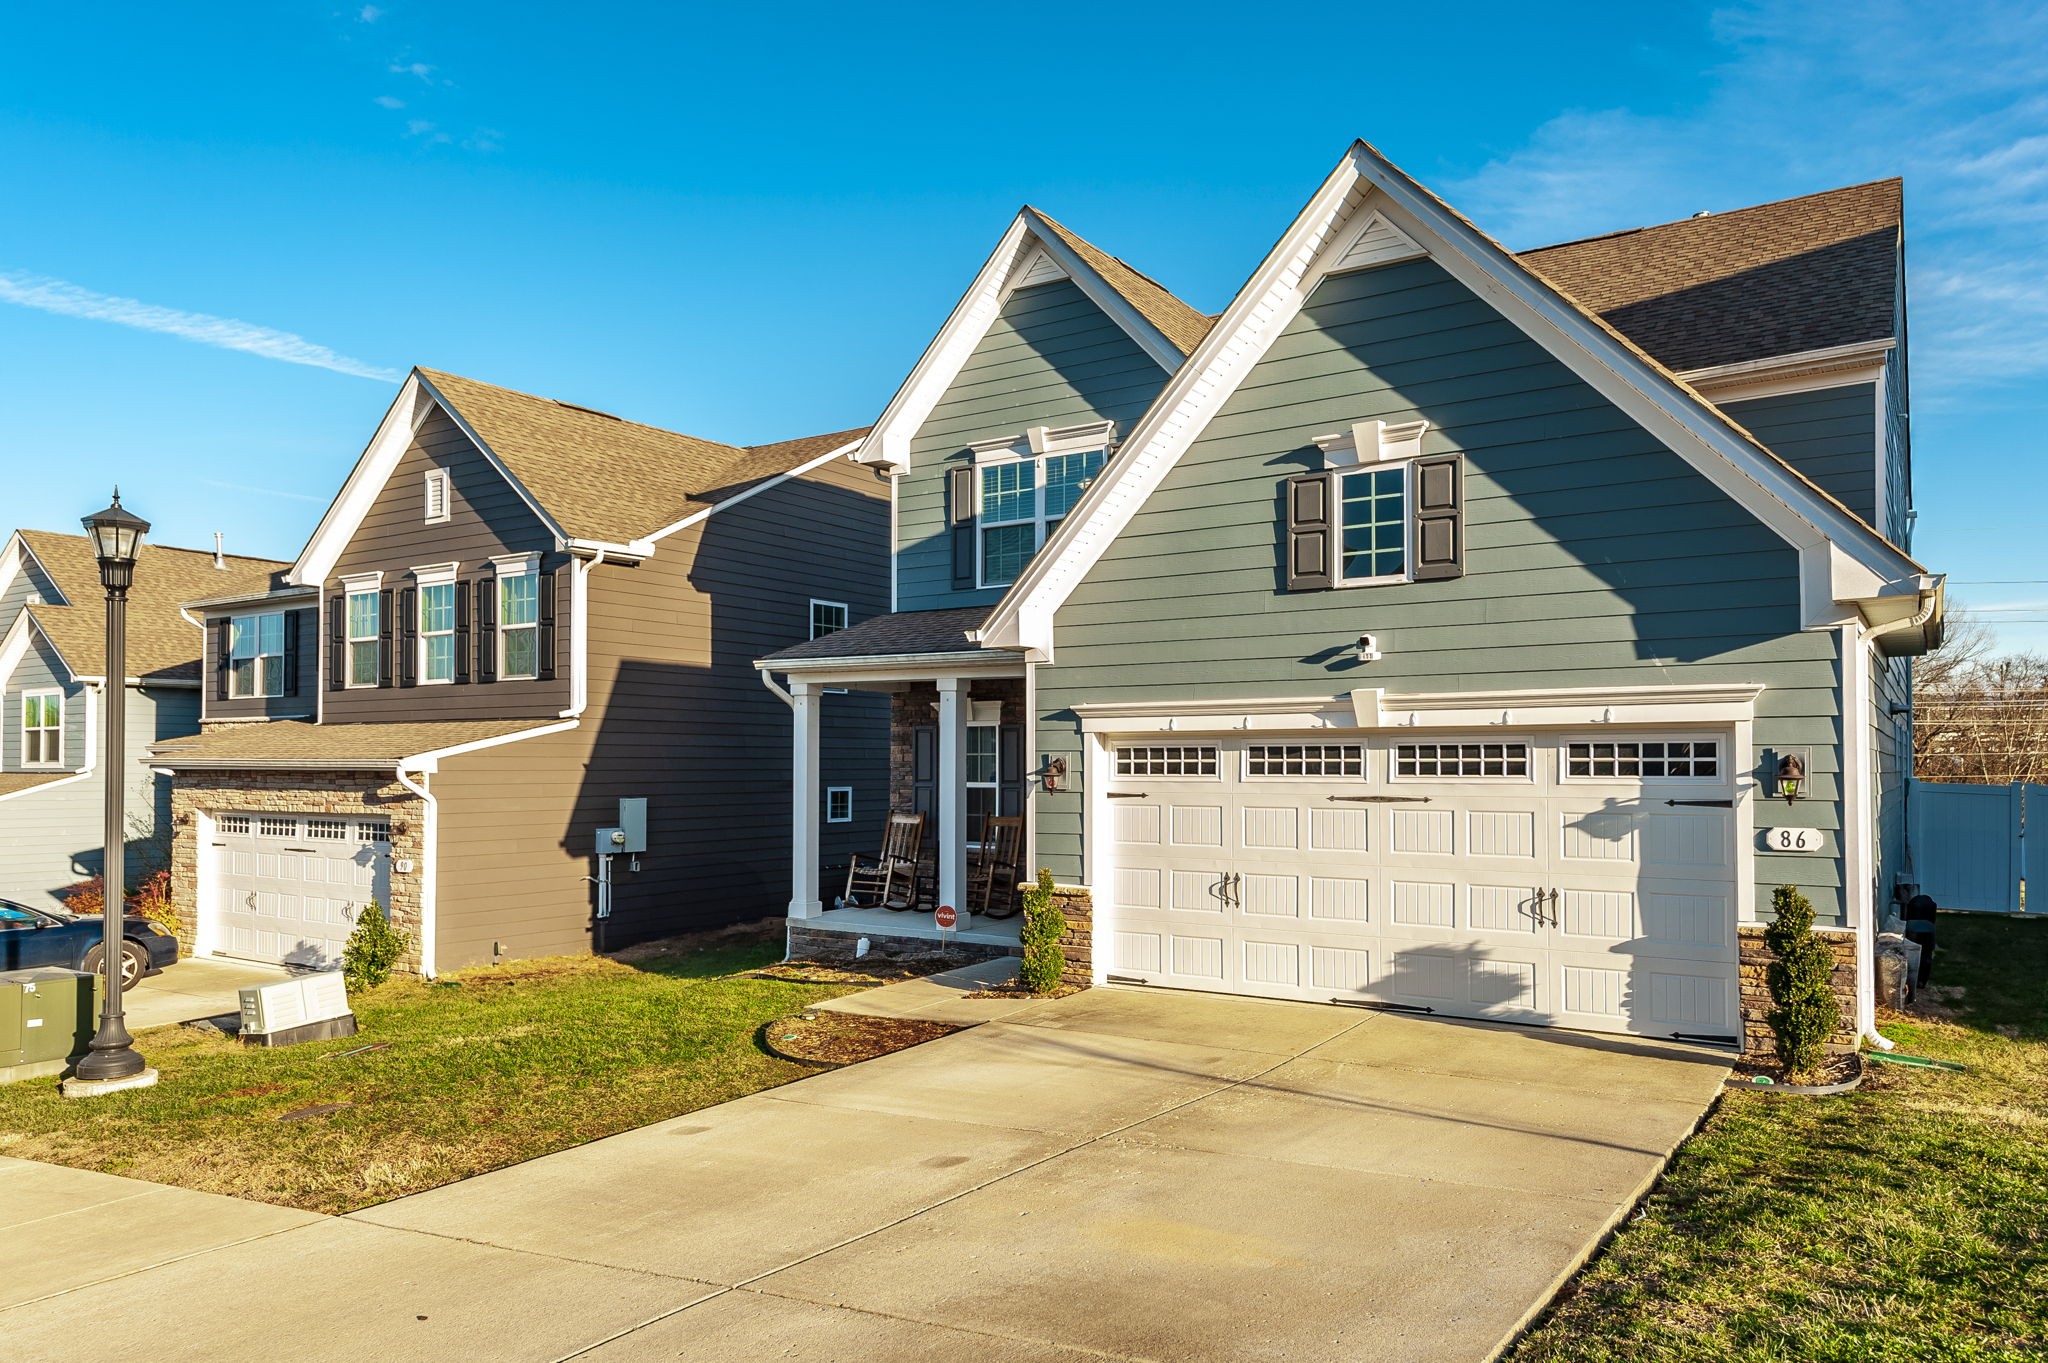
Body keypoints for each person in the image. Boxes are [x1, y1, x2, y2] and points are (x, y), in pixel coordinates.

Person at [1903, 893, 1938, 991]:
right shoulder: (1930, 906)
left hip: (1912, 930)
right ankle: (1922, 981)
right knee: (1926, 956)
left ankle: (1910, 980)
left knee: (1910, 953)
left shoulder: (1913, 904)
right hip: (1928, 931)